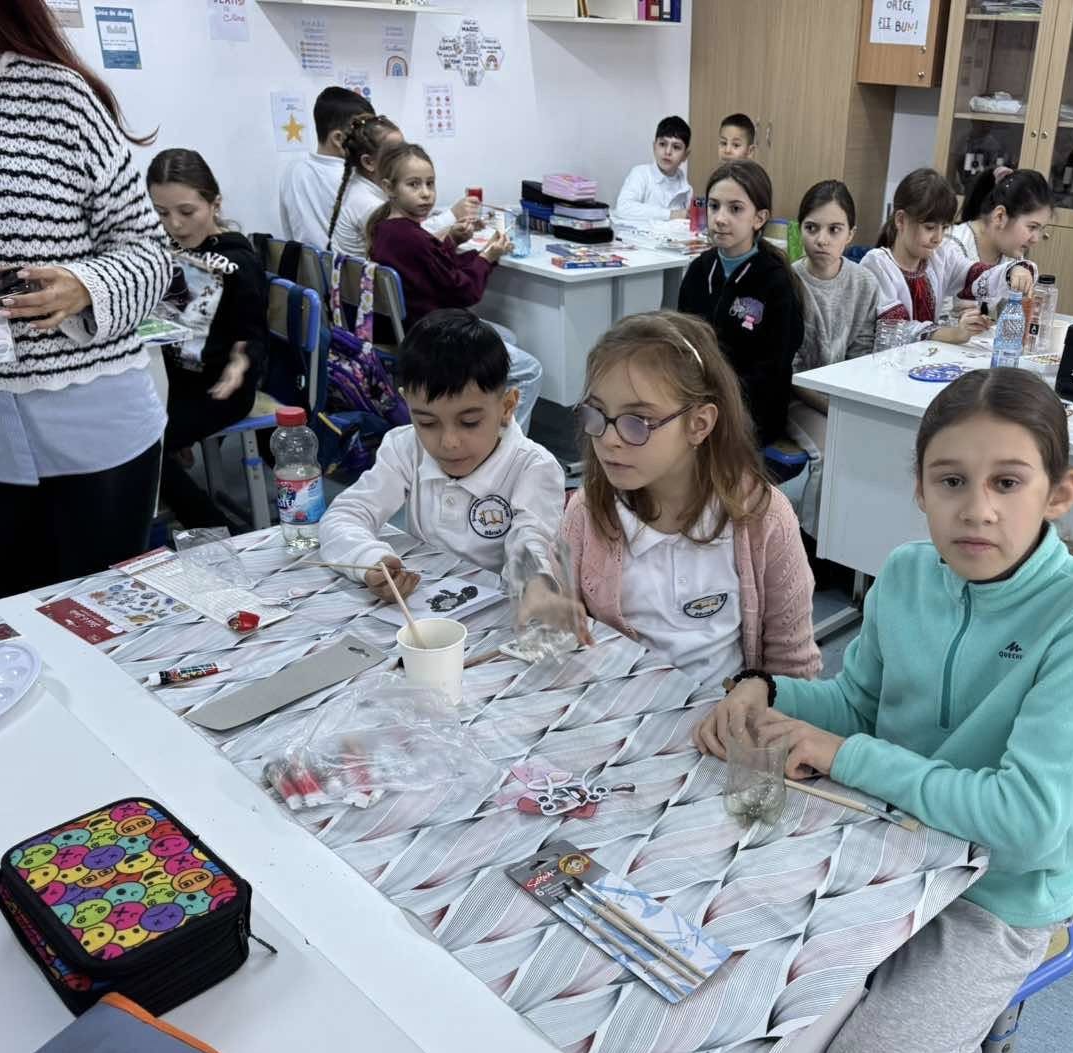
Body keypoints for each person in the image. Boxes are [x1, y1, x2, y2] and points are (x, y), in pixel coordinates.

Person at [693, 367, 1073, 1053]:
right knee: (714, 958)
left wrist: (843, 755)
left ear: (1059, 494)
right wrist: (766, 691)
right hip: (884, 840)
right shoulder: (904, 572)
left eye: (1008, 483)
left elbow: (1028, 821)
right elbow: (858, 707)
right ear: (921, 490)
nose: (977, 509)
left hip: (998, 892)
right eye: (951, 481)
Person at [0, 0, 171, 604]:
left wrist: (85, 285)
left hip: (95, 422)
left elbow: (152, 252)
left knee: (111, 626)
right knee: (6, 629)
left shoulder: (57, 95)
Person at [534, 311, 820, 686]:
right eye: (596, 414)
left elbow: (794, 667)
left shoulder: (763, 518)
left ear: (699, 424)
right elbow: (558, 624)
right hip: (616, 705)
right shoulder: (586, 512)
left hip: (722, 712)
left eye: (637, 421)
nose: (608, 439)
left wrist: (761, 702)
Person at [319, 310, 564, 600]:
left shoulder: (533, 468)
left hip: (497, 609)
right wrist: (370, 560)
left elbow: (531, 546)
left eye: (470, 422)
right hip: (423, 605)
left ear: (507, 406)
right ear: (407, 404)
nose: (449, 443)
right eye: (427, 422)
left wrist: (533, 584)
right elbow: (344, 516)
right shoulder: (406, 446)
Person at [366, 142, 543, 431]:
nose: (426, 193)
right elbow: (462, 291)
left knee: (507, 337)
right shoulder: (410, 237)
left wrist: (453, 243)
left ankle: (477, 413)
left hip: (417, 328)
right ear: (389, 187)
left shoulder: (388, 229)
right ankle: (503, 447)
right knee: (530, 370)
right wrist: (488, 256)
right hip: (435, 338)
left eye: (430, 183)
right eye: (414, 184)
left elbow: (432, 270)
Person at [146, 149, 269, 533]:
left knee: (145, 448)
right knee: (122, 429)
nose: (175, 224)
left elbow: (252, 336)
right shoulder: (174, 249)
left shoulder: (236, 261)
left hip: (221, 388)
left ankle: (216, 533)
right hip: (177, 382)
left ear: (215, 203)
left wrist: (238, 366)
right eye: (162, 213)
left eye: (187, 211)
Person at [676, 161, 805, 446]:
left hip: (752, 413)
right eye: (714, 206)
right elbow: (682, 342)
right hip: (699, 400)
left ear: (759, 218)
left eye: (735, 209)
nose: (720, 218)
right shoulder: (699, 270)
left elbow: (774, 366)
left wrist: (720, 396)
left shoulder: (776, 281)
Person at [860, 168, 999, 346]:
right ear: (901, 220)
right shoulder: (876, 265)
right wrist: (955, 333)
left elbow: (975, 274)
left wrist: (1013, 273)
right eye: (930, 227)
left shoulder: (940, 256)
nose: (938, 238)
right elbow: (897, 329)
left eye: (944, 228)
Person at [326, 113, 470, 257]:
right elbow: (417, 241)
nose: (405, 157)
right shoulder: (368, 203)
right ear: (369, 162)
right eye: (395, 153)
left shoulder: (363, 186)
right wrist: (452, 216)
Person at [792, 179, 878, 372]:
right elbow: (787, 362)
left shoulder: (865, 283)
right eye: (811, 228)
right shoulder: (787, 280)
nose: (822, 240)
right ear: (800, 229)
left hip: (845, 385)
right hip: (794, 388)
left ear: (850, 234)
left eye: (834, 230)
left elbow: (861, 355)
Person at [278, 85, 372, 246]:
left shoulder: (293, 171)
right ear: (338, 139)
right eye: (365, 133)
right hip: (350, 262)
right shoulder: (357, 180)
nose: (371, 140)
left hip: (304, 262)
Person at [945, 166, 1053, 277]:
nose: (1035, 239)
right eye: (1032, 227)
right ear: (999, 216)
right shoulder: (950, 248)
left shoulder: (1011, 255)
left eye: (1041, 229)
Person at [614, 115, 693, 224]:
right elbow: (623, 207)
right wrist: (671, 214)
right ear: (654, 147)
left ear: (685, 155)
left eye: (676, 147)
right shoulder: (640, 174)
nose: (668, 152)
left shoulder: (687, 190)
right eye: (662, 144)